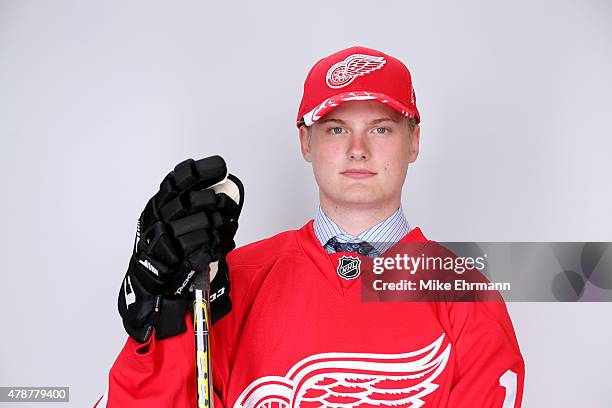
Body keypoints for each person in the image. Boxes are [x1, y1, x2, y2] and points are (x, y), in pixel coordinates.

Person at [96, 46, 525, 407]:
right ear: (305, 142)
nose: (358, 150)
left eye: (380, 128)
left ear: (413, 141)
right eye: (336, 129)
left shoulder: (465, 295)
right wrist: (158, 325)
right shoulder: (232, 281)